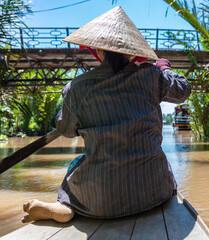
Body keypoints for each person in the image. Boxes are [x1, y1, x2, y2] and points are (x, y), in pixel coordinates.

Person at [21, 6, 191, 223]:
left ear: (98, 50)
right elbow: (183, 90)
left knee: (77, 163)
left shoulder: (77, 88)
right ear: (131, 52)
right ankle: (66, 206)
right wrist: (164, 68)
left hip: (98, 199)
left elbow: (66, 130)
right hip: (155, 191)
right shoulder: (153, 76)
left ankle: (65, 206)